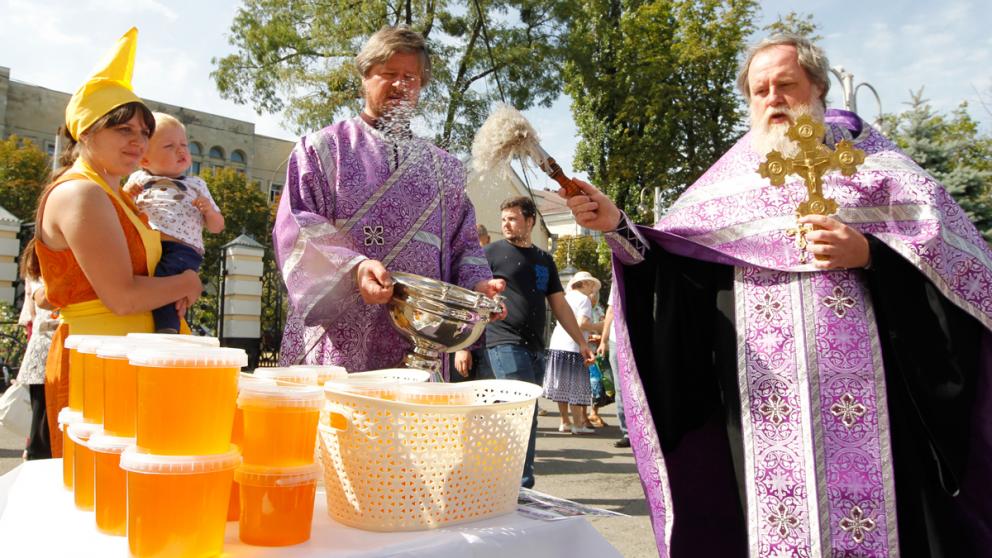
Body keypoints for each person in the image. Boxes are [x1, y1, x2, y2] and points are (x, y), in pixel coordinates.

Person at [564, 33, 992, 557]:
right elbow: (678, 272)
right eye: (760, 90)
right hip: (763, 412)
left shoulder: (879, 171)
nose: (773, 98)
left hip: (879, 411)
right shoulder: (720, 190)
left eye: (785, 84)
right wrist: (619, 227)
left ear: (817, 88)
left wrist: (872, 255)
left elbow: (961, 283)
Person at [274, 25, 502, 370]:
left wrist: (477, 284)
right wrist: (355, 269)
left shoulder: (446, 169)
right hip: (339, 336)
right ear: (365, 78)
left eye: (410, 77)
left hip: (420, 342)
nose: (400, 85)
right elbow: (298, 224)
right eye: (389, 74)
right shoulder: (322, 149)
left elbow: (465, 244)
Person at [35, 28, 202, 456]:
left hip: (128, 361)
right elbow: (122, 297)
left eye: (144, 132)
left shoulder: (115, 195)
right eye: (123, 129)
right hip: (99, 367)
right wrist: (185, 283)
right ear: (86, 133)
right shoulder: (82, 193)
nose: (138, 142)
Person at [484, 196, 593, 488]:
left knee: (526, 413)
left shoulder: (545, 259)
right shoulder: (490, 253)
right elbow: (474, 295)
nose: (506, 224)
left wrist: (581, 342)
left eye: (513, 218)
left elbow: (559, 304)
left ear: (530, 221)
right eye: (504, 219)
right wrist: (464, 346)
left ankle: (512, 482)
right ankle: (519, 483)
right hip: (503, 341)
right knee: (518, 410)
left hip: (535, 347)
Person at [123, 112, 224, 333]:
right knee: (151, 280)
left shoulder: (196, 184)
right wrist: (127, 195)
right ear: (144, 159)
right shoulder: (138, 180)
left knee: (165, 280)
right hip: (147, 244)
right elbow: (121, 211)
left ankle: (167, 329)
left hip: (183, 248)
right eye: (169, 146)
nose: (181, 150)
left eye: (184, 145)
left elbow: (217, 227)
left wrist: (208, 211)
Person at [543, 271, 601, 435]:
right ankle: (577, 424)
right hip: (574, 346)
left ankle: (564, 421)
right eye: (589, 283)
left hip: (557, 343)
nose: (592, 287)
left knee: (561, 386)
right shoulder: (584, 300)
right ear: (582, 284)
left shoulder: (566, 297)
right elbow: (582, 323)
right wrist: (600, 326)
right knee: (576, 386)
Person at [15, 240, 58, 460]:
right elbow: (43, 299)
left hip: (53, 353)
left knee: (47, 428)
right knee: (43, 430)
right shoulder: (42, 263)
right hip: (46, 355)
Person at [598, 284, 629, 448]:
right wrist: (603, 341)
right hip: (618, 340)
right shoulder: (618, 281)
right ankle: (627, 432)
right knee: (620, 388)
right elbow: (611, 310)